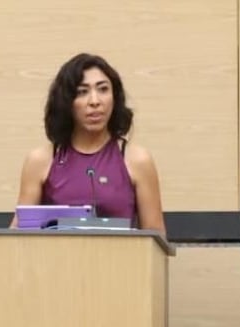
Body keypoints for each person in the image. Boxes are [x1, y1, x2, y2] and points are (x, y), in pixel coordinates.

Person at [11, 53, 165, 232]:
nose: (95, 101)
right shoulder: (40, 160)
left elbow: (155, 241)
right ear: (66, 102)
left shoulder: (138, 160)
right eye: (82, 92)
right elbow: (19, 234)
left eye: (103, 89)